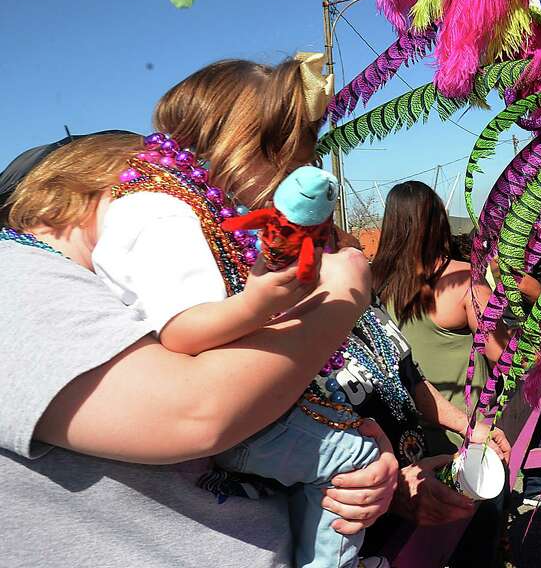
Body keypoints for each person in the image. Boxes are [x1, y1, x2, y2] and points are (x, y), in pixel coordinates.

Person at [0, 132, 397, 567]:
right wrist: (341, 297)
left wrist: (343, 449)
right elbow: (200, 414)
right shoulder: (16, 277)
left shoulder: (109, 285)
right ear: (83, 193)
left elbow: (242, 392)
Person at [87, 57, 392, 568]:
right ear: (234, 141)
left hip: (242, 410)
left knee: (342, 446)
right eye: (282, 161)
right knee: (351, 459)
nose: (288, 181)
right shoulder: (161, 213)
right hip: (239, 421)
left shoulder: (180, 206)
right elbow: (183, 332)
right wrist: (259, 304)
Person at [364, 180, 512, 565]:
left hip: (407, 442)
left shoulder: (374, 282)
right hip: (466, 433)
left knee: (416, 549)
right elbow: (502, 354)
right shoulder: (463, 278)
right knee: (475, 547)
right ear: (438, 222)